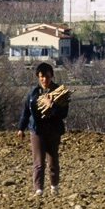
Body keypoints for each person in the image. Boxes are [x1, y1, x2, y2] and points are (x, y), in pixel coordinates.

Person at [17, 62, 69, 197]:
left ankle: (54, 188)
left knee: (53, 161)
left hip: (53, 131)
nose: (44, 79)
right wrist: (21, 128)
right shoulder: (33, 94)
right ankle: (39, 190)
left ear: (51, 76)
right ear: (38, 77)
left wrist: (50, 105)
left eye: (47, 76)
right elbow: (26, 112)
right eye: (42, 77)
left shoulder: (59, 92)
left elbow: (63, 113)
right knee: (38, 163)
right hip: (37, 130)